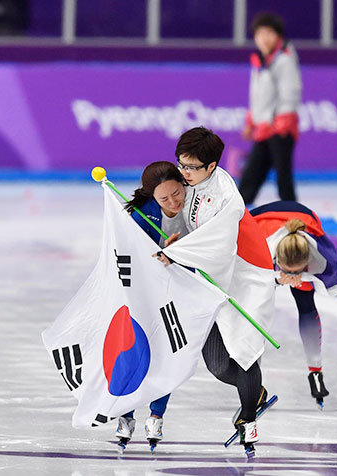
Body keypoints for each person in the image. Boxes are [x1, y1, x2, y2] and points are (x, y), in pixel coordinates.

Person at [159, 127, 276, 453]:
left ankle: (248, 420)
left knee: (242, 349)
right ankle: (256, 393)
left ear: (212, 167)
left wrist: (176, 254)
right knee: (219, 365)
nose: (184, 172)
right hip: (212, 275)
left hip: (247, 278)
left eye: (192, 167)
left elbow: (217, 247)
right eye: (181, 164)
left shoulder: (226, 198)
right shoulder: (192, 180)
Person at [114, 161, 189, 448]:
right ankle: (126, 413)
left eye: (176, 193)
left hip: (179, 294)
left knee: (167, 355)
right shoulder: (142, 216)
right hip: (144, 295)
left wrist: (181, 256)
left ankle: (157, 416)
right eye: (164, 199)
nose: (173, 202)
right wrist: (160, 252)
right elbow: (129, 257)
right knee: (136, 354)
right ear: (152, 198)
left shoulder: (197, 212)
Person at [250, 201, 337, 408]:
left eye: (298, 271)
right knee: (257, 306)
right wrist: (276, 279)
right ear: (276, 260)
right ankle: (252, 382)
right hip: (259, 222)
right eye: (288, 270)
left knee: (306, 302)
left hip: (305, 220)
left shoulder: (320, 252)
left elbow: (332, 282)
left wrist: (299, 276)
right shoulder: (260, 244)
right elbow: (244, 278)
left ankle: (316, 372)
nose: (293, 276)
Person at [238, 12, 302, 206]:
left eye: (268, 33)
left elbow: (291, 92)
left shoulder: (284, 59)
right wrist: (252, 121)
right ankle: (237, 212)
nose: (263, 38)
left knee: (283, 177)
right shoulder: (260, 60)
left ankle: (294, 215)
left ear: (278, 36)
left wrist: (279, 122)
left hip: (279, 129)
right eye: (259, 34)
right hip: (264, 127)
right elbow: (259, 96)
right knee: (252, 174)